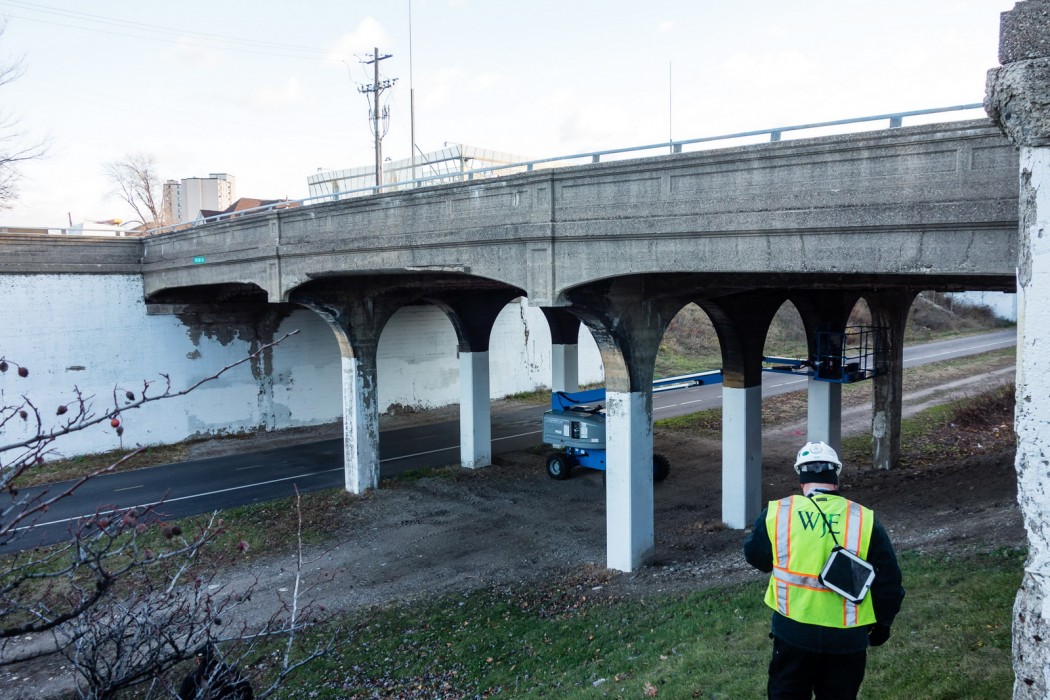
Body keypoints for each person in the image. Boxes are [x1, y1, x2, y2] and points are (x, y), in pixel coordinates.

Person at [743, 441, 905, 700]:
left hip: (793, 632)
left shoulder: (778, 513)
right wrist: (883, 625)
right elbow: (889, 584)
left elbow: (756, 558)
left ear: (801, 478)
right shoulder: (864, 519)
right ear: (836, 477)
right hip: (847, 637)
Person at [178, 642, 254, 700]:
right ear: (214, 654)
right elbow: (247, 690)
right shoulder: (229, 671)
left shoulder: (191, 679)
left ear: (198, 660)